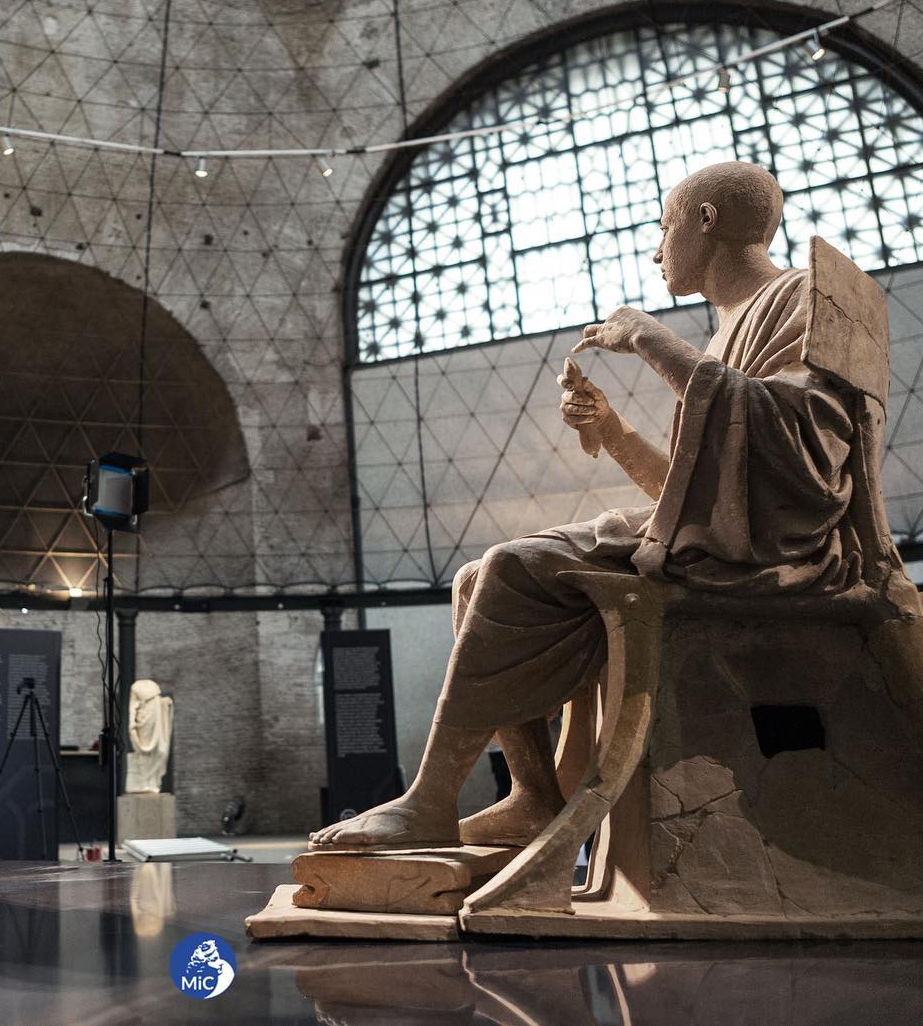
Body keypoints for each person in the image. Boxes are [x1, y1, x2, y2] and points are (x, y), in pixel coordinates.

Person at [311, 161, 862, 852]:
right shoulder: (727, 333)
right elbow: (697, 498)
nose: (658, 250)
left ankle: (428, 802)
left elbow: (801, 465)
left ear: (705, 221)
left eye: (665, 227)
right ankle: (534, 797)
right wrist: (614, 433)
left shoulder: (803, 296)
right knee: (476, 578)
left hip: (779, 557)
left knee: (512, 565)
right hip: (721, 541)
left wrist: (652, 339)